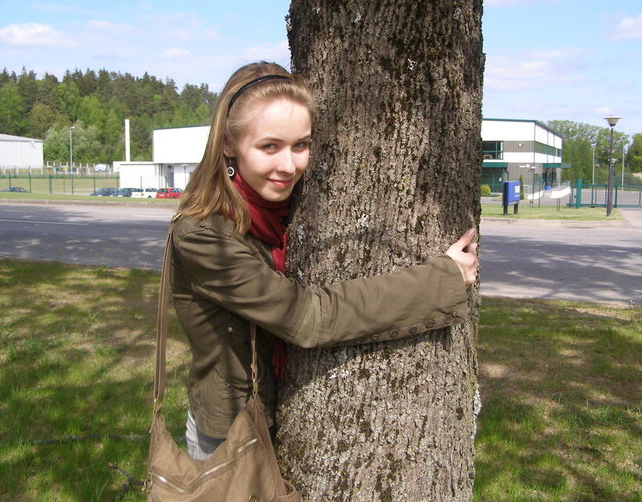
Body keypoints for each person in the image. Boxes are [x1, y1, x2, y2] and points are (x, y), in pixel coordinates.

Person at [170, 61, 478, 460]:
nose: (290, 165)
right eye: (269, 146)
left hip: (276, 417)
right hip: (229, 438)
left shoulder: (285, 211)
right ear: (229, 145)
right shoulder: (204, 236)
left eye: (301, 144)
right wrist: (441, 279)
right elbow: (309, 316)